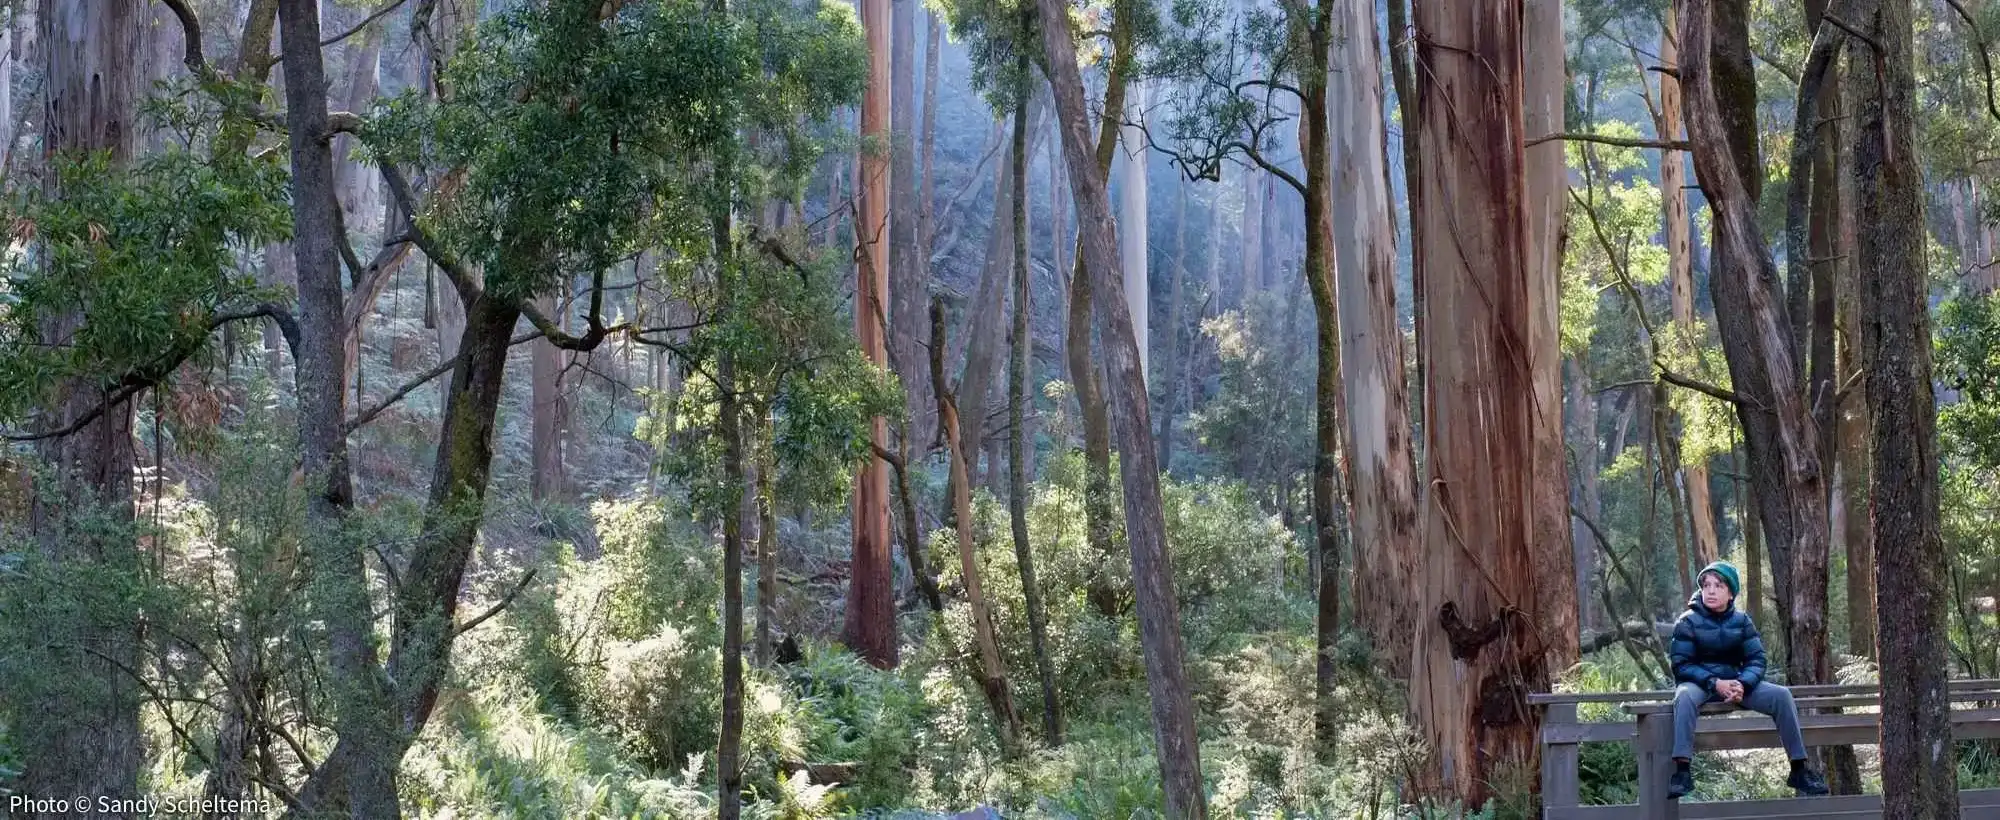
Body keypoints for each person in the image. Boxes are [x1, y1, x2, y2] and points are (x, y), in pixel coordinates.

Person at [1666, 561, 1829, 799]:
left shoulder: (1742, 621)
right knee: (1683, 696)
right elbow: (1681, 665)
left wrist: (1743, 683)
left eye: (1718, 585)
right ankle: (1682, 771)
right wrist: (1715, 683)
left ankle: (1799, 769)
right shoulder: (1687, 621)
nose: (1710, 590)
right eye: (1706, 585)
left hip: (1736, 683)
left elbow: (1757, 659)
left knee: (1782, 695)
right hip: (1701, 684)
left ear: (1731, 592)